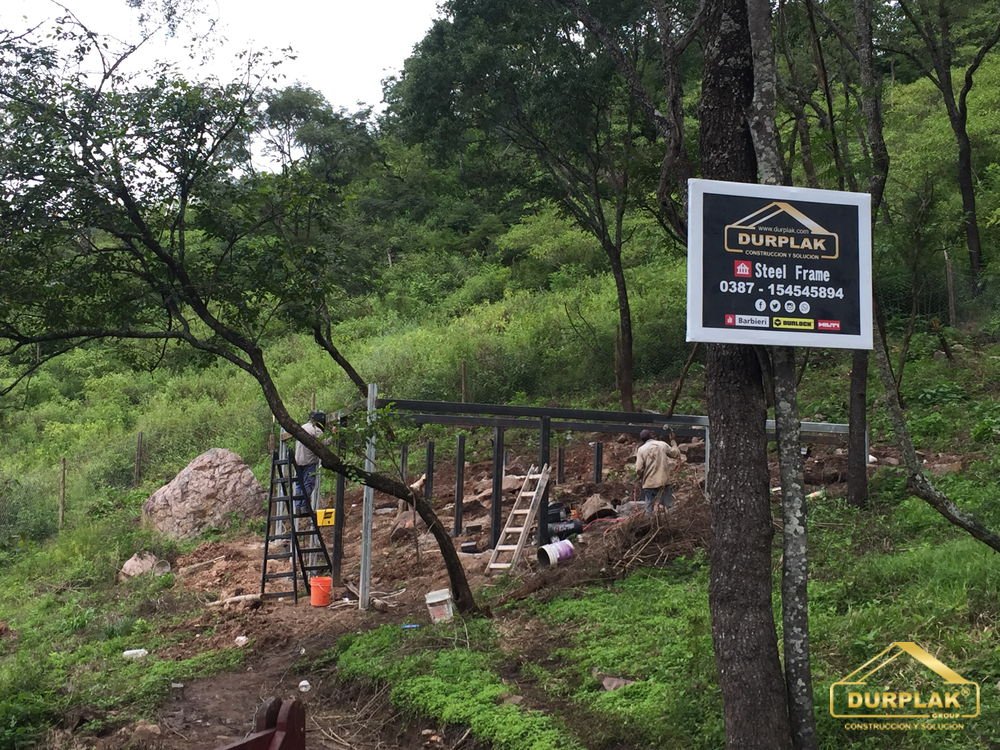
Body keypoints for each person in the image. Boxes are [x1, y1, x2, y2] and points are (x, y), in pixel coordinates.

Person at [634, 428, 682, 515]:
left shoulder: (641, 449)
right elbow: (675, 454)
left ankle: (649, 521)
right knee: (669, 506)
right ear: (651, 436)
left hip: (649, 483)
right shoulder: (662, 444)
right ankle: (670, 520)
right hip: (663, 481)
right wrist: (673, 441)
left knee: (649, 508)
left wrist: (640, 476)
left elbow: (638, 469)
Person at [294, 410, 327, 511]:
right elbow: (324, 443)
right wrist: (334, 435)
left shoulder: (302, 427)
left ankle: (298, 506)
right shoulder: (316, 430)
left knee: (299, 484)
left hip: (298, 461)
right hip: (309, 461)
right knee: (308, 483)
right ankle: (304, 506)